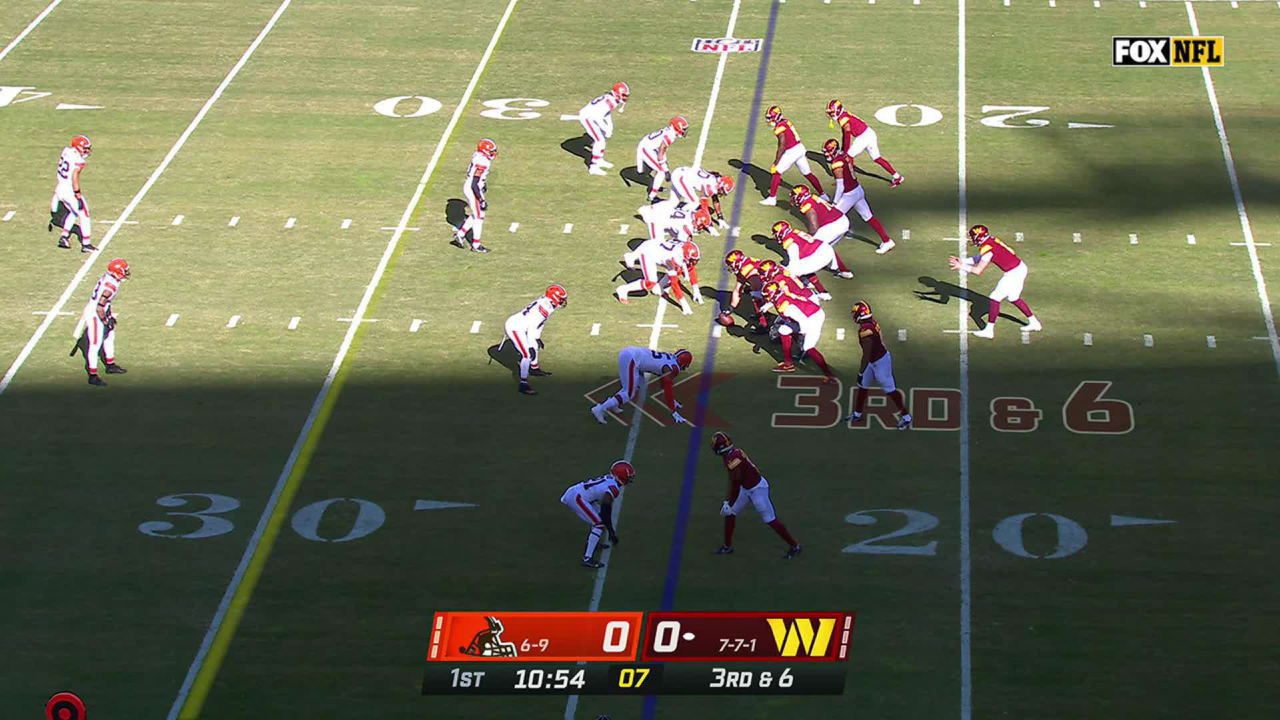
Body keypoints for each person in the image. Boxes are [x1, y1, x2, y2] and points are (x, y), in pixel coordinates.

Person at [710, 432, 801, 559]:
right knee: (730, 513)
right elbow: (735, 482)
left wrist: (729, 502)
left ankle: (795, 546)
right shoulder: (732, 454)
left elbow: (735, 483)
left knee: (770, 519)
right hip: (745, 487)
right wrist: (729, 503)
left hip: (757, 489)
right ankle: (727, 546)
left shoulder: (733, 460)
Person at [948, 224, 1042, 339]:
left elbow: (978, 270)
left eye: (973, 237)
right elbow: (980, 257)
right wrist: (963, 261)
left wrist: (961, 266)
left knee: (994, 298)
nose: (971, 239)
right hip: (1020, 267)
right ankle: (1034, 323)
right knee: (1013, 297)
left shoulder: (987, 250)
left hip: (1013, 273)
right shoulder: (992, 240)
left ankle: (989, 330)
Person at [843, 301, 912, 429]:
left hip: (880, 362)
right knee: (863, 386)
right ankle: (857, 414)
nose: (853, 315)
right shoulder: (872, 321)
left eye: (855, 312)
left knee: (890, 390)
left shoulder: (865, 330)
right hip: (876, 359)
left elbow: (867, 353)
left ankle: (906, 417)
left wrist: (860, 372)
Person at [821, 139, 894, 254]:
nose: (826, 155)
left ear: (834, 151)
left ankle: (822, 247)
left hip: (850, 194)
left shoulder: (836, 163)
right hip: (857, 189)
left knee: (831, 218)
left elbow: (840, 186)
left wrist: (834, 203)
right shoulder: (844, 156)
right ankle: (887, 240)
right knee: (868, 217)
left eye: (828, 152)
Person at [560, 460, 636, 568]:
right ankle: (587, 558)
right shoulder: (613, 488)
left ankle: (593, 542)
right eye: (628, 477)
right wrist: (611, 531)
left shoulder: (611, 480)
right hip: (576, 497)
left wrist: (610, 529)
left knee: (599, 518)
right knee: (599, 524)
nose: (630, 479)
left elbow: (604, 510)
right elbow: (606, 510)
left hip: (579, 493)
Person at [589, 346, 692, 425]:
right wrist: (673, 410)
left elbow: (663, 383)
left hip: (633, 354)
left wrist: (672, 401)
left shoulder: (670, 360)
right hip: (632, 359)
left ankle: (614, 403)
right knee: (629, 393)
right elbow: (667, 388)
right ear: (683, 363)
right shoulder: (672, 368)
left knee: (638, 385)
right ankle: (599, 409)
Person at [499, 284, 567, 395]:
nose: (563, 301)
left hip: (523, 325)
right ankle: (523, 384)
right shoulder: (545, 307)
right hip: (515, 327)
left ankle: (534, 369)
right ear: (554, 297)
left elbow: (540, 324)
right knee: (527, 355)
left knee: (535, 345)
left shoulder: (548, 303)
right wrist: (532, 343)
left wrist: (537, 338)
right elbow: (532, 328)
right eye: (561, 299)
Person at [71, 258, 130, 386]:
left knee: (110, 336)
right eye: (124, 270)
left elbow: (106, 303)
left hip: (102, 310)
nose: (126, 272)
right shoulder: (111, 286)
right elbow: (99, 306)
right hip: (95, 313)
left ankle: (110, 364)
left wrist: (109, 316)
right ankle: (93, 375)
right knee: (95, 344)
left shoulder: (111, 279)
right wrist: (105, 320)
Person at [825, 99, 903, 188]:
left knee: (849, 156)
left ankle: (849, 181)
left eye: (831, 112)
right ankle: (897, 177)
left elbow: (847, 135)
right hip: (870, 133)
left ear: (837, 111)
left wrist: (845, 150)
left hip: (863, 136)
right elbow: (845, 133)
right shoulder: (844, 115)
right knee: (877, 158)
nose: (830, 114)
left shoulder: (843, 119)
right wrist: (843, 148)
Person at [759, 105, 825, 206]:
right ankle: (823, 194)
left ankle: (772, 198)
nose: (768, 120)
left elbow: (782, 145)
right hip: (800, 148)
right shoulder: (786, 121)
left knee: (777, 172)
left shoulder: (779, 127)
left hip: (792, 151)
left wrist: (776, 162)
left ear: (776, 117)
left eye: (770, 117)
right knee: (807, 173)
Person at [50, 135, 96, 252]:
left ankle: (64, 237)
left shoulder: (66, 151)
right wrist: (78, 194)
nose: (87, 151)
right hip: (69, 190)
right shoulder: (79, 160)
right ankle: (86, 244)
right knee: (84, 214)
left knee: (73, 212)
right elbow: (74, 177)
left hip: (60, 187)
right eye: (85, 148)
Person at [453, 138, 496, 253]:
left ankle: (460, 234)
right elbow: (474, 182)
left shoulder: (478, 155)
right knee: (479, 217)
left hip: (474, 186)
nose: (493, 153)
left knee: (477, 214)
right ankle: (476, 245)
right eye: (491, 151)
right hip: (473, 188)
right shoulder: (483, 161)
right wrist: (481, 198)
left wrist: (483, 183)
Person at [635, 116, 688, 202]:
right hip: (646, 148)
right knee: (661, 171)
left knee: (663, 167)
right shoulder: (670, 135)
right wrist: (665, 170)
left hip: (650, 147)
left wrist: (665, 165)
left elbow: (662, 148)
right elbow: (662, 150)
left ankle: (652, 187)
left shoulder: (670, 131)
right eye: (683, 129)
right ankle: (652, 195)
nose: (684, 131)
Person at [579, 82, 629, 175]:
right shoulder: (610, 101)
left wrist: (610, 126)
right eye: (623, 95)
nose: (625, 98)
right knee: (600, 140)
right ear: (617, 93)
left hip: (593, 116)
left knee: (602, 139)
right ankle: (593, 167)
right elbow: (598, 117)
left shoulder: (612, 99)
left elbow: (606, 113)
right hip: (588, 117)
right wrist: (605, 128)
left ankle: (599, 160)